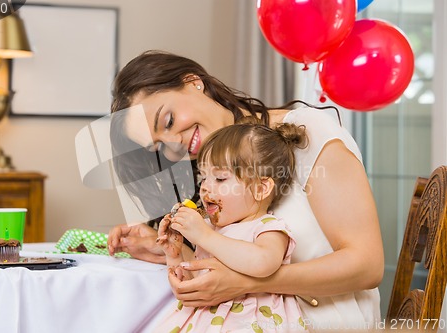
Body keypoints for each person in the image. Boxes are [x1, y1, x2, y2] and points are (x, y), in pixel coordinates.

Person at [107, 50, 384, 331]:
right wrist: (165, 246)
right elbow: (228, 256)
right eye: (159, 147)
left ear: (193, 82)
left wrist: (246, 283)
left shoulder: (306, 133)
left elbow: (367, 265)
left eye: (167, 121)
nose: (173, 144)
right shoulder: (208, 175)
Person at [155, 121, 307, 332]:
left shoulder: (266, 227)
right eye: (204, 177)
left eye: (219, 178)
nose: (206, 187)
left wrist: (204, 236)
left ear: (260, 188)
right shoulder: (211, 229)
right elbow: (197, 286)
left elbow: (264, 263)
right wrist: (175, 256)